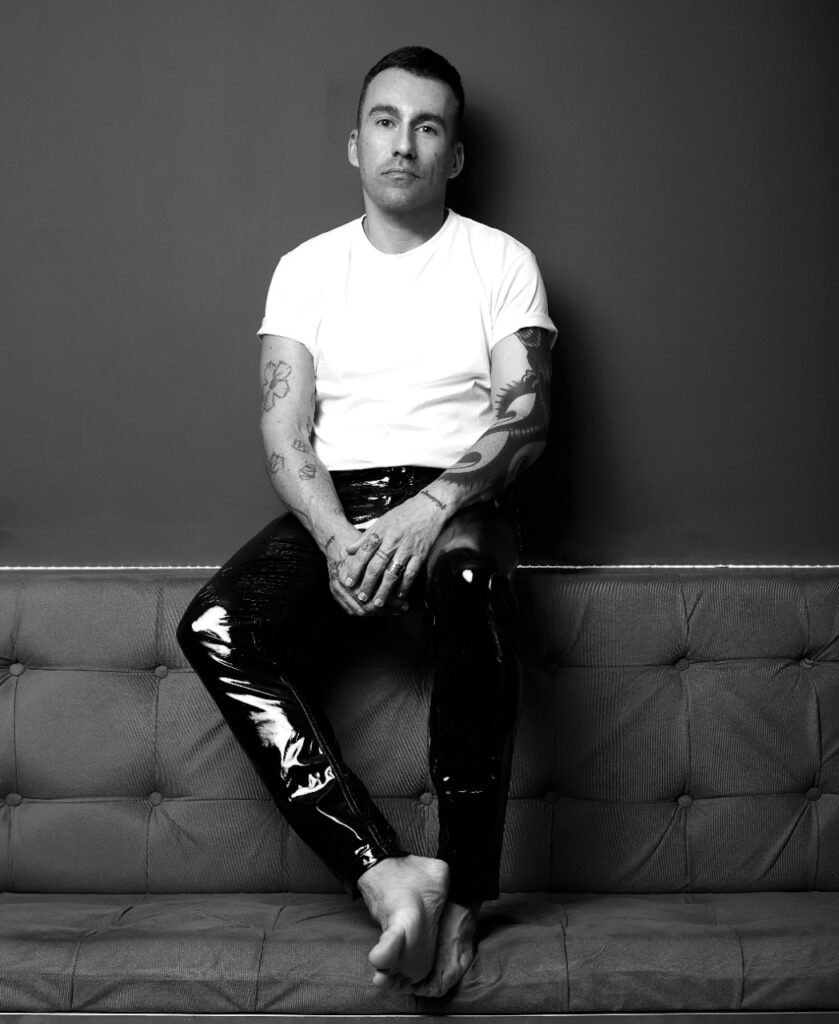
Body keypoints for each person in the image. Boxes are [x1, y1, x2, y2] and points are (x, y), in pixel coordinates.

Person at [177, 45, 555, 998]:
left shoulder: (500, 261)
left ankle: (462, 899)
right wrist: (339, 538)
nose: (403, 144)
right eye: (385, 122)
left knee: (466, 576)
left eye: (427, 127)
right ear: (355, 143)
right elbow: (283, 428)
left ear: (453, 155)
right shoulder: (305, 269)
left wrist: (431, 509)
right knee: (215, 623)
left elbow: (525, 418)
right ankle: (384, 872)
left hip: (461, 498)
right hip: (336, 504)